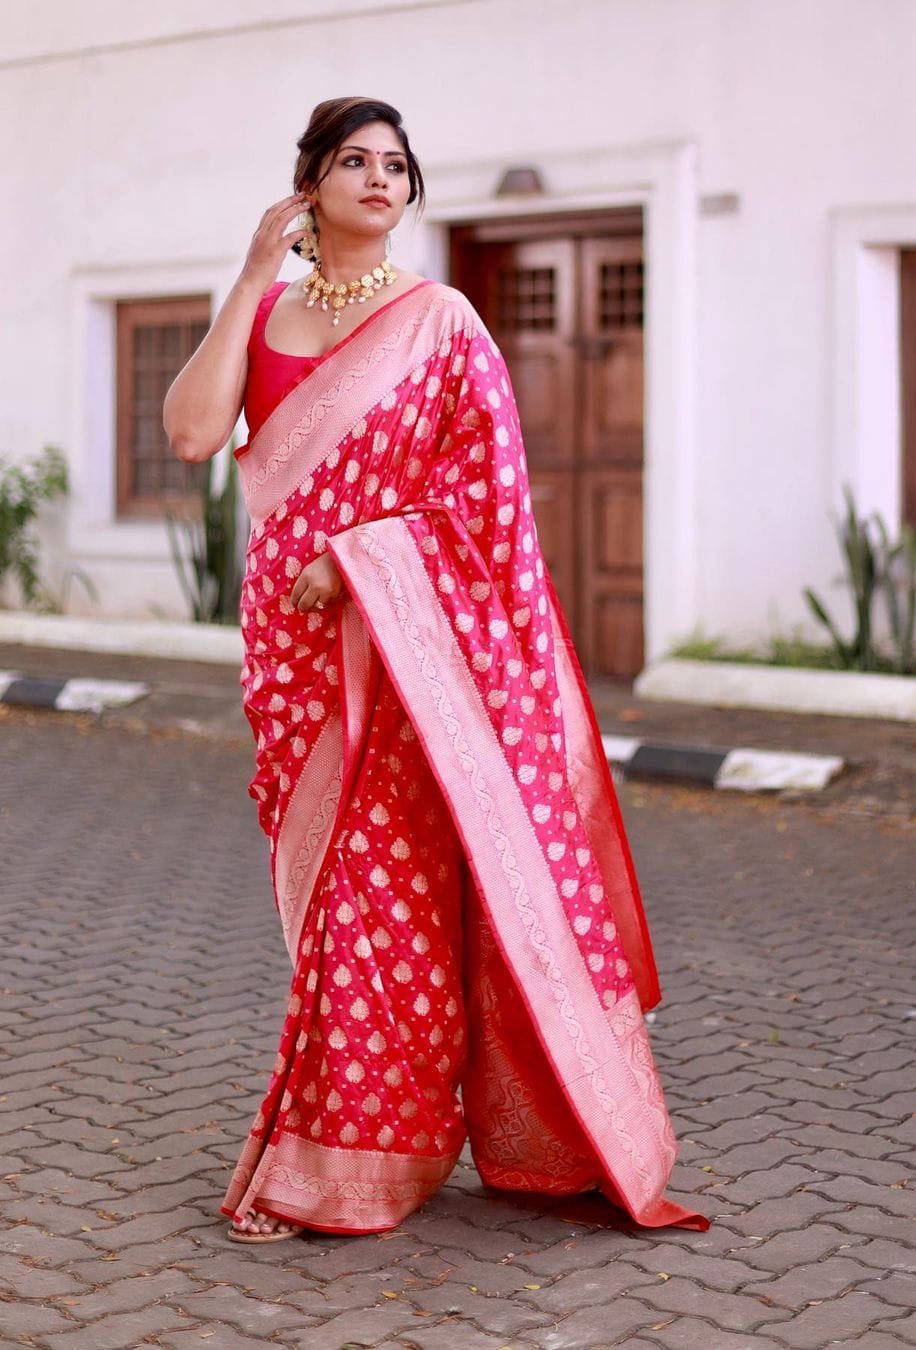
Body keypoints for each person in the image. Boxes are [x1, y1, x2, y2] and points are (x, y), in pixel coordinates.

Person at [164, 96, 706, 1243]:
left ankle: (337, 1161)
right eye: (352, 162)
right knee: (327, 906)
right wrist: (250, 272)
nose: (377, 180)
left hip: (408, 651)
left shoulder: (443, 321)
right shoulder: (266, 310)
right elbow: (192, 435)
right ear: (310, 184)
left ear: (413, 192)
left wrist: (362, 559)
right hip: (293, 649)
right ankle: (381, 1142)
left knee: (381, 899)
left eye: (396, 166)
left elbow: (486, 498)